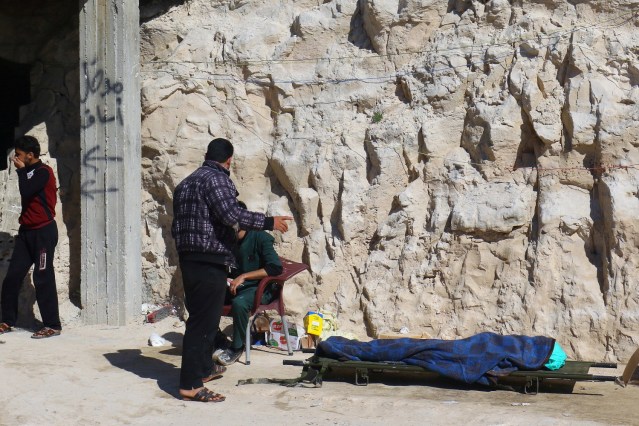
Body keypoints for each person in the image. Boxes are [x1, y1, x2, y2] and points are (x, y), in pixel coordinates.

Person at [171, 137, 292, 403]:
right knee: (202, 323)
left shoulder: (185, 183)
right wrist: (269, 221)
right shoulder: (216, 179)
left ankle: (204, 370)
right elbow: (231, 216)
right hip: (209, 260)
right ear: (228, 161)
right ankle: (191, 385)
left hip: (189, 259)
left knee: (204, 318)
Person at [0, 135, 61, 339]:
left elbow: (27, 190)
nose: (14, 158)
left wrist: (20, 171)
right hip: (27, 233)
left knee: (43, 277)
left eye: (18, 155)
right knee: (12, 277)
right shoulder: (28, 171)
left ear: (30, 155)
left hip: (43, 232)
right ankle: (7, 320)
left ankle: (52, 325)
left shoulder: (43, 172)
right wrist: (22, 170)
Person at [215, 201, 283, 366]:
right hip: (234, 286)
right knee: (196, 296)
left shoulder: (260, 237)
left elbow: (275, 267)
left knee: (239, 303)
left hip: (258, 288)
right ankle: (216, 338)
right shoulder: (226, 239)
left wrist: (245, 276)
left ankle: (237, 347)